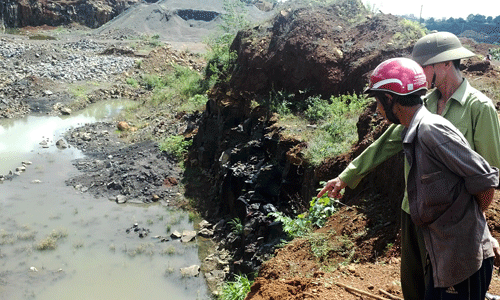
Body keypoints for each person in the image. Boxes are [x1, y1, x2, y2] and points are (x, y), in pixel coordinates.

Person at [317, 31, 500, 300]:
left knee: (446, 282)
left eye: (424, 66)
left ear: (446, 64)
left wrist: (480, 227)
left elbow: (488, 173)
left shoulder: (479, 108)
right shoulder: (421, 103)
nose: (417, 72)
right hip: (414, 209)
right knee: (414, 282)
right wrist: (346, 177)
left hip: (450, 220)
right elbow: (385, 143)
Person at [365, 57, 498, 300]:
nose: (377, 109)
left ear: (390, 98)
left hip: (462, 262)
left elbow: (485, 178)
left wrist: (474, 225)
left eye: (378, 101)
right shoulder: (414, 131)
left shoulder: (430, 130)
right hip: (444, 259)